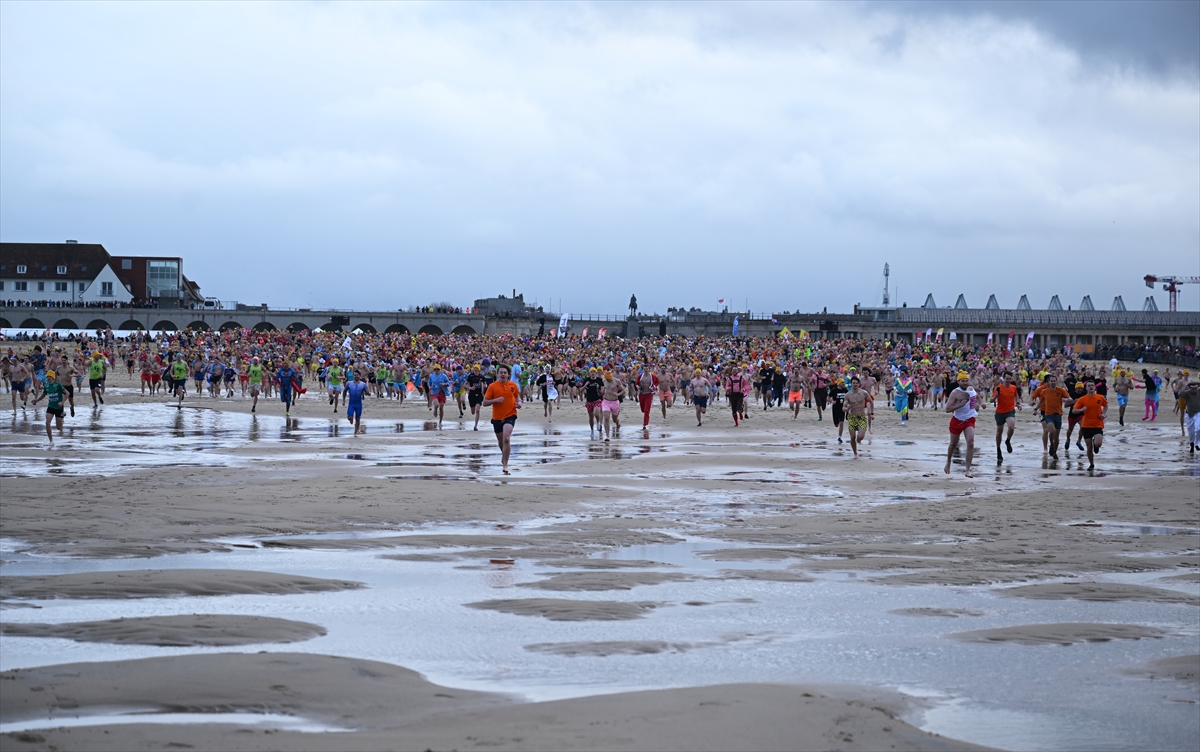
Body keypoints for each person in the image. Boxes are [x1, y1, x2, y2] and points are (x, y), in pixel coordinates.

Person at [482, 364, 521, 474]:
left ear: (508, 374)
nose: (503, 374)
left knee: (506, 438)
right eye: (501, 372)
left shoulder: (513, 385)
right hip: (497, 417)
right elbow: (484, 403)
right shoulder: (492, 386)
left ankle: (505, 464)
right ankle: (504, 456)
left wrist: (519, 403)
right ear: (498, 374)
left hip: (510, 415)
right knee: (501, 441)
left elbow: (517, 397)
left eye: (505, 372)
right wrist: (495, 400)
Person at [943, 371, 980, 478]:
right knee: (953, 444)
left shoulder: (971, 390)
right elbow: (947, 409)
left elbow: (977, 397)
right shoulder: (955, 393)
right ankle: (948, 461)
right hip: (957, 420)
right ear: (958, 382)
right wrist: (959, 405)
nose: (965, 383)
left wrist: (980, 404)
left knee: (971, 443)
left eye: (966, 381)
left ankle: (968, 470)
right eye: (962, 381)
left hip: (969, 420)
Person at [1031, 373, 1071, 459]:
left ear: (1056, 382)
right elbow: (1040, 401)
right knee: (1050, 430)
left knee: (1056, 436)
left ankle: (1054, 451)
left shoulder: (1061, 390)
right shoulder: (1044, 391)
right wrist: (1035, 409)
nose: (1052, 382)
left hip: (1058, 415)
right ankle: (1049, 446)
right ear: (1048, 382)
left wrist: (1067, 399)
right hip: (1047, 414)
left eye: (1054, 381)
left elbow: (1069, 398)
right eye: (1051, 381)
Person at [1070, 380, 1108, 470]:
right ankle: (1091, 464)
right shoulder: (1082, 399)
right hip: (1086, 426)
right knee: (1089, 447)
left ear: (1095, 387)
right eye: (1089, 386)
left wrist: (1104, 414)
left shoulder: (1100, 397)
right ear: (1086, 388)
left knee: (1098, 443)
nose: (1091, 387)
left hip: (1098, 425)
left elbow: (1106, 405)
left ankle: (1096, 445)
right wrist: (1081, 410)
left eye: (1092, 385)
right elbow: (1073, 410)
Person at [991, 370, 1021, 465]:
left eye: (1009, 379)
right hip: (1000, 412)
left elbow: (1016, 396)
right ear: (1003, 378)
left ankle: (1008, 441)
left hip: (1010, 411)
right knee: (999, 431)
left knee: (1011, 427)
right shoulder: (998, 388)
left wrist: (1018, 403)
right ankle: (998, 449)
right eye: (1006, 379)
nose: (1008, 380)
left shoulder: (1013, 387)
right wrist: (995, 396)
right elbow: (991, 400)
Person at [31, 369, 66, 444]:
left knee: (59, 428)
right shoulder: (46, 385)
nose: (48, 378)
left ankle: (63, 415)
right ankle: (51, 441)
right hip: (51, 406)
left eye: (50, 377)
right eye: (47, 377)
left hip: (59, 407)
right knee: (47, 422)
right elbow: (44, 395)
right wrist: (36, 400)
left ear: (53, 377)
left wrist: (62, 402)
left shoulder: (58, 385)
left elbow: (67, 393)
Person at [844, 376, 872, 459]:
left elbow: (870, 401)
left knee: (860, 436)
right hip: (852, 417)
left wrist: (871, 412)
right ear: (851, 384)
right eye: (853, 383)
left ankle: (859, 440)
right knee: (852, 437)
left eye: (856, 383)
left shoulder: (864, 393)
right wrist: (847, 409)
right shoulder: (848, 395)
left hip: (862, 417)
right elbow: (843, 407)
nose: (855, 384)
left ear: (859, 384)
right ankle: (855, 453)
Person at [599, 370, 625, 441]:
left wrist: (618, 394)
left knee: (614, 419)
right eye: (606, 379)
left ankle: (617, 423)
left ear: (611, 377)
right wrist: (602, 391)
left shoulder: (617, 381)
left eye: (609, 379)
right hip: (606, 401)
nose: (608, 380)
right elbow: (604, 386)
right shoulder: (604, 380)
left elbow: (623, 390)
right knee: (606, 418)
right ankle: (607, 436)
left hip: (615, 401)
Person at [427, 363, 452, 429]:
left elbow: (449, 383)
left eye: (438, 369)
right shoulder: (431, 376)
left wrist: (444, 384)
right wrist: (430, 386)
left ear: (440, 370)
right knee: (436, 404)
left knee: (441, 407)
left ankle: (440, 421)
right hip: (434, 392)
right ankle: (435, 409)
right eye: (435, 369)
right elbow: (429, 382)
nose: (436, 370)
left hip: (442, 393)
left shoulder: (443, 376)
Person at [345, 369, 370, 435]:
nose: (356, 376)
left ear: (360, 376)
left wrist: (367, 393)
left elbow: (368, 392)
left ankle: (355, 432)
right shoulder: (349, 383)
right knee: (349, 417)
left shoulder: (363, 384)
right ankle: (351, 419)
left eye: (357, 375)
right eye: (355, 375)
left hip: (359, 404)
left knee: (358, 419)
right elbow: (344, 392)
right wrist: (344, 400)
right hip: (351, 404)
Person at [582, 367, 604, 438]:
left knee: (596, 413)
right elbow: (581, 390)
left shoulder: (600, 380)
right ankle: (592, 430)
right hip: (589, 400)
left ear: (596, 373)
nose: (593, 373)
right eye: (591, 372)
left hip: (597, 400)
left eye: (594, 372)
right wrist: (585, 385)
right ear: (590, 373)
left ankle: (598, 422)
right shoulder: (587, 380)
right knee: (591, 417)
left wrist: (601, 391)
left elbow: (603, 389)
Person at [1182, 379, 1200, 454]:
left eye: (1196, 388)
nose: (1195, 390)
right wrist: (1186, 387)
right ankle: (1192, 445)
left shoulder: (1199, 392)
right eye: (1193, 389)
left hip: (1198, 413)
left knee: (1198, 428)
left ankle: (1196, 443)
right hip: (1189, 415)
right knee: (1191, 432)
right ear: (1190, 389)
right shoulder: (1187, 393)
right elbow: (1179, 393)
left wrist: (1198, 383)